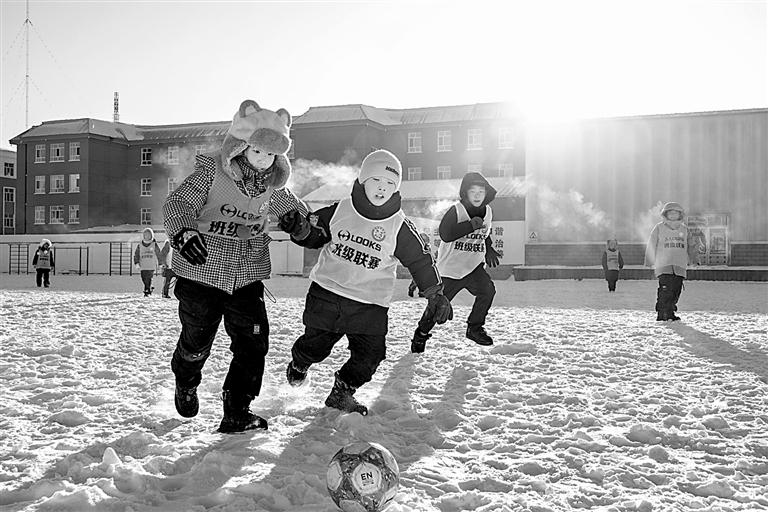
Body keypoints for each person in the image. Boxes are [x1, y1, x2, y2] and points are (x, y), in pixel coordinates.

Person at [162, 99, 309, 433]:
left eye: (271, 155)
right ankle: (186, 381)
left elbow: (300, 213)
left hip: (246, 275)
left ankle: (237, 410)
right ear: (241, 147)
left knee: (254, 344)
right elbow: (178, 203)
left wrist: (301, 225)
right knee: (197, 342)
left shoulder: (273, 186)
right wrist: (183, 233)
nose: (263, 161)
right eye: (257, 152)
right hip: (202, 272)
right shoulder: (212, 173)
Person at [278, 149, 452, 416]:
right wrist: (301, 230)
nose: (382, 189)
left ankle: (342, 392)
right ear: (362, 181)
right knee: (316, 347)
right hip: (328, 293)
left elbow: (419, 260)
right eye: (376, 181)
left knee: (371, 355)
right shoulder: (340, 210)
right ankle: (299, 364)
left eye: (389, 185)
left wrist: (435, 293)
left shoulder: (398, 226)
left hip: (370, 303)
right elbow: (315, 235)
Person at [410, 172, 501, 352]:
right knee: (438, 309)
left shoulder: (488, 211)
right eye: (472, 191)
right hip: (450, 270)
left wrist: (489, 248)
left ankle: (474, 327)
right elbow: (445, 234)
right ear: (465, 193)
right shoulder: (456, 210)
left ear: (486, 193)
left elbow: (485, 232)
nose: (477, 195)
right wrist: (470, 225)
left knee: (488, 291)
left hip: (473, 267)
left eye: (481, 191)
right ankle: (421, 334)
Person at [644, 202, 700, 321]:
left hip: (679, 265)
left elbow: (691, 245)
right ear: (665, 214)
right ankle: (662, 313)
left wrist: (694, 259)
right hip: (663, 265)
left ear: (680, 215)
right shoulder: (659, 228)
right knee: (665, 290)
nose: (673, 215)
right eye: (671, 213)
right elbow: (652, 244)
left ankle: (670, 312)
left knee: (676, 291)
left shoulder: (685, 230)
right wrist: (650, 259)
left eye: (676, 213)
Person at [134, 228, 162, 297]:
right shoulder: (140, 245)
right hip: (143, 265)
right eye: (145, 235)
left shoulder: (154, 244)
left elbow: (159, 254)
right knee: (144, 278)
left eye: (148, 235)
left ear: (151, 235)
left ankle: (147, 291)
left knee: (148, 278)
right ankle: (149, 288)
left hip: (151, 265)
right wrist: (136, 263)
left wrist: (160, 263)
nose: (147, 236)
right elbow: (136, 254)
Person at [408, 232, 432, 297]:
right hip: (416, 264)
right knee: (417, 279)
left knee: (424, 278)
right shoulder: (415, 246)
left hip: (424, 265)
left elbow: (429, 255)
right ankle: (412, 288)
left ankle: (421, 291)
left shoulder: (427, 247)